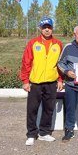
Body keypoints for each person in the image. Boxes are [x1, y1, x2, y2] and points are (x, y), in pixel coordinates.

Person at [20, 17, 63, 146]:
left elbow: (61, 64)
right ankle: (31, 134)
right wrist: (25, 80)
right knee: (32, 109)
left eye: (49, 27)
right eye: (44, 27)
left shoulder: (58, 44)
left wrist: (60, 79)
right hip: (35, 82)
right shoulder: (33, 43)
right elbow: (26, 62)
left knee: (48, 109)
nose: (47, 30)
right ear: (40, 28)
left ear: (52, 28)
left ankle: (44, 133)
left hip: (51, 82)